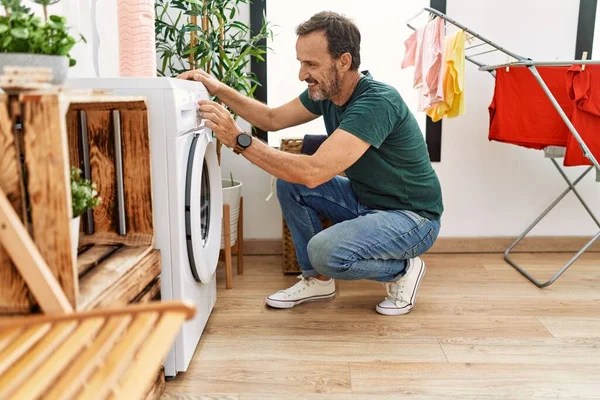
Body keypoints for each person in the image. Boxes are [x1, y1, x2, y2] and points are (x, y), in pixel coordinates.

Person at [178, 11, 443, 316]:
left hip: (413, 218)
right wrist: (216, 87)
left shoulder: (377, 102)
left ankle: (403, 269)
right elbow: (271, 118)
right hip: (367, 202)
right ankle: (318, 281)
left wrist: (238, 139)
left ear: (343, 61)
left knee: (323, 250)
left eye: (311, 64)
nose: (302, 74)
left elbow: (314, 172)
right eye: (301, 63)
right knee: (289, 182)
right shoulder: (326, 94)